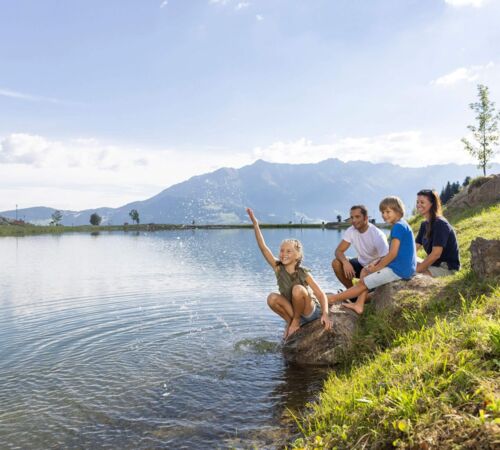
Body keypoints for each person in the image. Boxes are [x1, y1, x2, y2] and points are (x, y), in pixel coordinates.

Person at [246, 208, 332, 339]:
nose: (283, 254)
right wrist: (256, 224)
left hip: (309, 312)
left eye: (288, 251)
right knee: (271, 298)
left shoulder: (303, 272)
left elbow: (320, 294)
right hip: (292, 310)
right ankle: (290, 322)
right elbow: (263, 248)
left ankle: (296, 321)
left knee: (298, 289)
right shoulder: (278, 268)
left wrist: (325, 314)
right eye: (281, 251)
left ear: (297, 256)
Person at [328, 196, 416, 315]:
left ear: (398, 211)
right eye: (382, 212)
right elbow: (338, 251)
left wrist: (376, 267)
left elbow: (392, 253)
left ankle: (331, 299)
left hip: (399, 269)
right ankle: (358, 304)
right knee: (365, 272)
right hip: (402, 267)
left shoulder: (394, 228)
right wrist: (346, 263)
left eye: (388, 212)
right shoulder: (402, 224)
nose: (384, 215)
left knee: (364, 282)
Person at [331, 205, 389, 289]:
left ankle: (359, 293)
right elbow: (338, 251)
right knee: (336, 263)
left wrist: (370, 269)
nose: (354, 220)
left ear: (365, 218)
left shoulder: (378, 235)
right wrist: (345, 262)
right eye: (352, 217)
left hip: (374, 269)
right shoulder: (351, 230)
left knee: (367, 276)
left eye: (357, 217)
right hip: (360, 264)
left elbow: (386, 259)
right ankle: (352, 293)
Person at [415, 189, 460, 277]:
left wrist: (417, 270)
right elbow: (414, 249)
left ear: (432, 204)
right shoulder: (424, 225)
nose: (418, 205)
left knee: (413, 276)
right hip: (434, 265)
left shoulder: (440, 223)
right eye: (417, 202)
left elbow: (436, 254)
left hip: (447, 268)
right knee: (406, 267)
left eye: (422, 202)